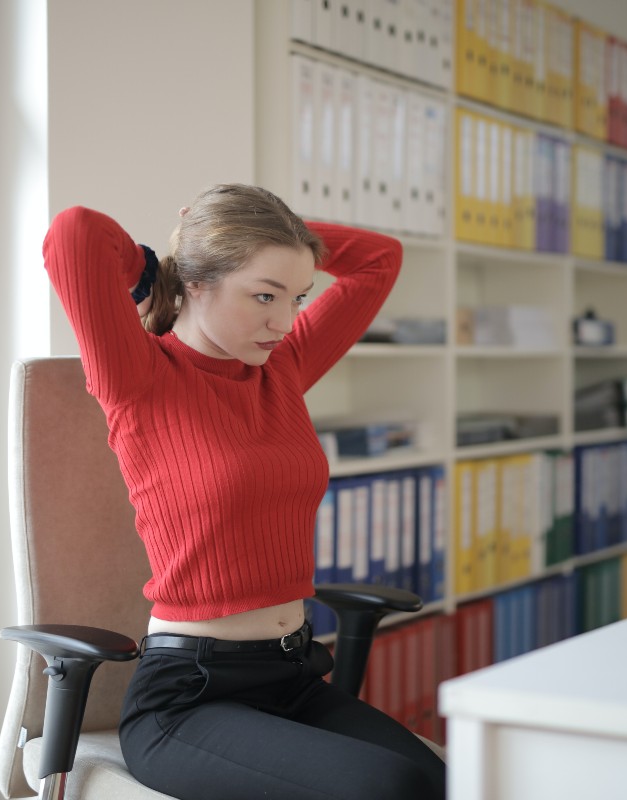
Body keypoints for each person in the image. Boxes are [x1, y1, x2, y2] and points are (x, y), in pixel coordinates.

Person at [42, 183, 446, 800]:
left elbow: (378, 259)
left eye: (297, 297)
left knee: (446, 782)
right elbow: (75, 233)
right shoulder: (138, 376)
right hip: (186, 700)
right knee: (386, 787)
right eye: (263, 295)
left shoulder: (280, 369)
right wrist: (159, 264)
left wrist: (280, 235)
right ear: (199, 281)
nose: (284, 322)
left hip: (293, 676)